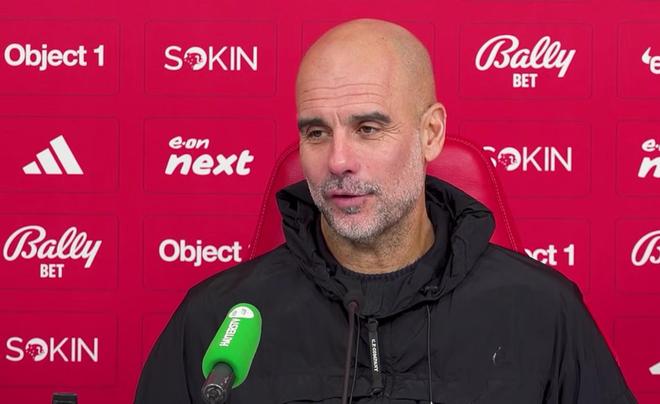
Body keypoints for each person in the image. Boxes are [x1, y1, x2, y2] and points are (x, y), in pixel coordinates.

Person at [135, 19, 636, 403]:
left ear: (431, 134)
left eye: (368, 129)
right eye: (316, 132)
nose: (338, 161)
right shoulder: (216, 319)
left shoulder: (543, 312)